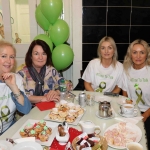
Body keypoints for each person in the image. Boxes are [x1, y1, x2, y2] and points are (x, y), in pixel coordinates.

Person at [17, 39, 72, 104]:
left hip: (50, 110)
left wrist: (56, 92)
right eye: (36, 54)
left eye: (43, 53)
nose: (40, 57)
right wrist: (44, 98)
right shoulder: (22, 74)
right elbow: (23, 96)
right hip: (29, 111)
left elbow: (68, 85)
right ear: (31, 56)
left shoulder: (51, 70)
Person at [121, 39, 150, 149]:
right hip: (133, 112)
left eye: (142, 52)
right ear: (130, 54)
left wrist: (145, 115)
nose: (138, 56)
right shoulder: (126, 71)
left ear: (146, 54)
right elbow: (126, 95)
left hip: (148, 112)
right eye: (135, 52)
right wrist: (128, 112)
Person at [0, 40, 31, 135]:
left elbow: (25, 109)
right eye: (3, 56)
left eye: (12, 57)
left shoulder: (16, 78)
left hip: (10, 130)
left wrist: (13, 87)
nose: (8, 61)